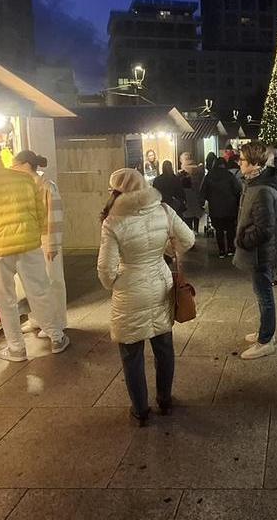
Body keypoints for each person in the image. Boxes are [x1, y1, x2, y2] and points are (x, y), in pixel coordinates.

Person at [97, 168, 195, 426]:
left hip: (130, 288)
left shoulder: (113, 221)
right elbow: (188, 239)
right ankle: (165, 400)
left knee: (132, 354)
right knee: (164, 347)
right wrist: (161, 253)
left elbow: (106, 270)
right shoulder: (163, 210)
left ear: (117, 191)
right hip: (160, 280)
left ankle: (140, 410)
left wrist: (116, 282)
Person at [0, 140, 68, 361]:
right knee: (40, 291)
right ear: (0, 155)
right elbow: (40, 212)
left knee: (5, 300)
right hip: (29, 245)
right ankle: (56, 337)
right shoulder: (25, 179)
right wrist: (33, 234)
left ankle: (16, 349)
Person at [234, 141, 277, 359]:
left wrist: (244, 240)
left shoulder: (262, 190)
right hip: (259, 253)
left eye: (243, 160)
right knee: (261, 293)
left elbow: (264, 229)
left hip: (260, 254)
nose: (239, 163)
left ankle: (266, 339)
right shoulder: (255, 183)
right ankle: (265, 331)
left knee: (264, 295)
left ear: (255, 164)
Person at [11, 150, 65, 338]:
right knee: (33, 283)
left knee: (52, 281)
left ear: (26, 165)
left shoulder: (47, 186)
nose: (12, 169)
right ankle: (38, 319)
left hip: (44, 239)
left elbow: (55, 217)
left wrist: (53, 244)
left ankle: (56, 322)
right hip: (29, 240)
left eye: (14, 165)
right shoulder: (23, 186)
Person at [202, 158, 242, 258]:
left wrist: (206, 200)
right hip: (230, 207)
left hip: (215, 207)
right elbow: (237, 190)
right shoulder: (229, 175)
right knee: (230, 229)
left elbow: (203, 191)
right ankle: (230, 249)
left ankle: (221, 251)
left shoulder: (209, 176)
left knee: (218, 230)